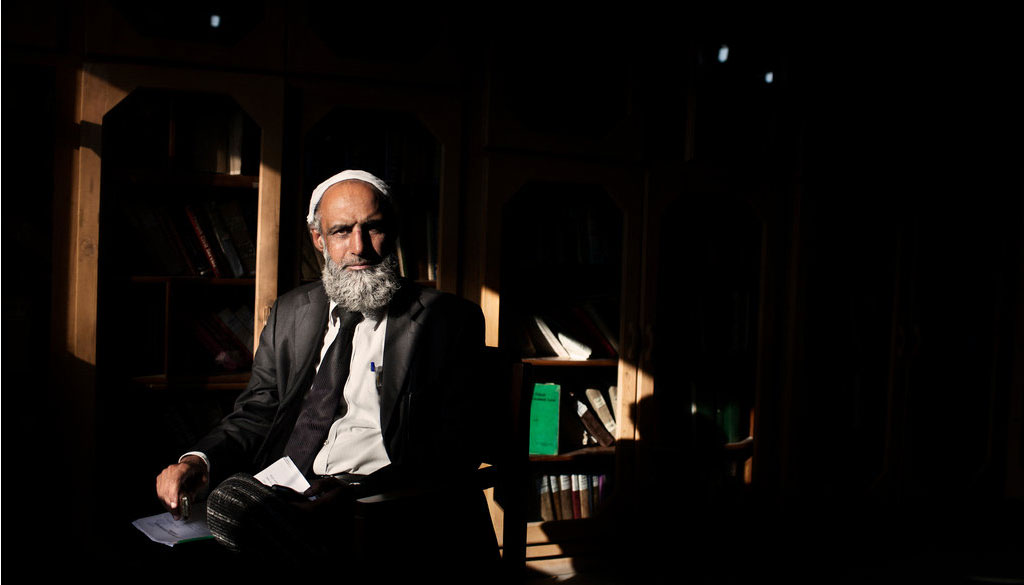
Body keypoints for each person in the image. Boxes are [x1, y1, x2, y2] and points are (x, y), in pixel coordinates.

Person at [154, 170, 495, 573]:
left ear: (394, 231)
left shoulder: (446, 320)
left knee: (233, 509)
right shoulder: (291, 312)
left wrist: (361, 493)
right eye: (340, 232)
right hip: (291, 491)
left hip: (381, 501)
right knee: (225, 509)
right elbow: (257, 411)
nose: (359, 247)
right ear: (318, 240)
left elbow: (456, 446)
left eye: (374, 229)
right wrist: (197, 461)